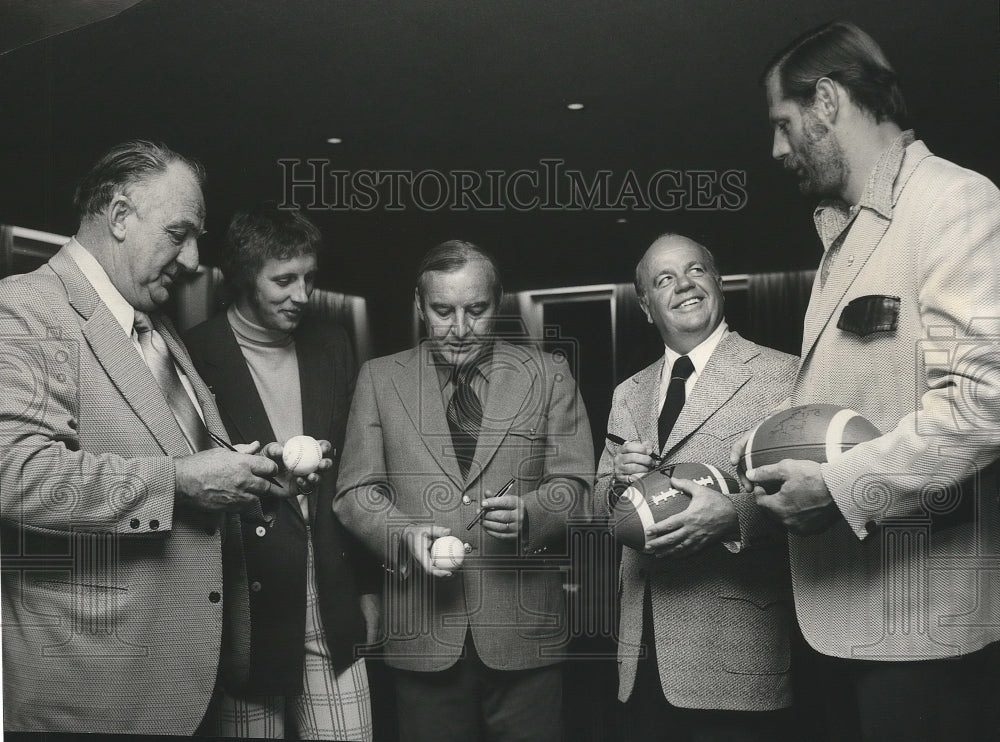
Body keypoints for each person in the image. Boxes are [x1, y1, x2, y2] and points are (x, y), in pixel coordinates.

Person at [0, 140, 331, 734]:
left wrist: (256, 470)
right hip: (91, 698)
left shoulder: (158, 329)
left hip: (184, 687)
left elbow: (185, 458)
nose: (194, 258)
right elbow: (14, 474)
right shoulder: (25, 309)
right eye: (179, 233)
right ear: (120, 216)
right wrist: (178, 483)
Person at [734, 21, 1000, 740]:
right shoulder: (840, 237)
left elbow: (983, 405)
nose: (776, 149)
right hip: (837, 626)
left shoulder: (955, 202)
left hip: (920, 636)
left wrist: (839, 486)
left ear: (826, 100)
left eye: (783, 125)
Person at [333, 239, 593, 742]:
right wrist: (403, 534)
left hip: (525, 632)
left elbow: (581, 486)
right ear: (418, 305)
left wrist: (534, 513)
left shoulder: (549, 374)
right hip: (422, 633)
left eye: (476, 310)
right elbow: (355, 492)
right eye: (442, 311)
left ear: (498, 303)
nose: (459, 328)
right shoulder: (380, 379)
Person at [184, 202, 378, 740]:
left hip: (331, 589)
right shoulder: (194, 353)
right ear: (245, 278)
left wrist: (366, 590)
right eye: (284, 280)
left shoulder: (333, 344)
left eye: (309, 278)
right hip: (248, 597)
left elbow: (354, 477)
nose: (303, 295)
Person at [594, 234, 797, 741]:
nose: (683, 285)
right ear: (645, 306)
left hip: (738, 657)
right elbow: (601, 509)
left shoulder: (783, 376)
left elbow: (813, 499)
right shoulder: (628, 393)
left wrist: (734, 516)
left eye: (695, 271)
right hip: (642, 655)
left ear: (719, 284)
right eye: (664, 279)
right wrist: (617, 482)